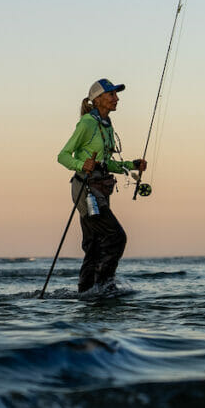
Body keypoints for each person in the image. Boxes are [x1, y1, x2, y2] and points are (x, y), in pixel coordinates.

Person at [58, 78, 146, 293]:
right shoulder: (87, 123)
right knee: (116, 237)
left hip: (100, 189)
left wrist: (131, 165)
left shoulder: (106, 125)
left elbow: (106, 164)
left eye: (116, 94)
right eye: (111, 94)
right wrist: (81, 164)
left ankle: (86, 292)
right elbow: (63, 156)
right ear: (97, 99)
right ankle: (105, 286)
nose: (116, 98)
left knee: (94, 245)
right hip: (86, 190)